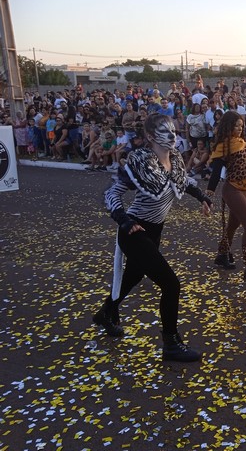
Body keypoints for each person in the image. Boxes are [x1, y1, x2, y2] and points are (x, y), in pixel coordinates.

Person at [96, 114, 213, 362]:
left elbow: (182, 181)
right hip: (134, 231)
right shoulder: (139, 162)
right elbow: (111, 193)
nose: (172, 135)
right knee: (171, 284)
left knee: (133, 276)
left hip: (154, 230)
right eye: (165, 131)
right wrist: (124, 221)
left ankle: (106, 312)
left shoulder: (175, 159)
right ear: (150, 136)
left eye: (174, 131)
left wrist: (201, 197)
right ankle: (171, 343)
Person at [205, 111, 246, 281]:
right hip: (232, 190)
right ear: (228, 127)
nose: (240, 128)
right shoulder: (223, 146)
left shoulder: (243, 143)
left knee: (233, 225)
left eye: (241, 125)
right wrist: (208, 196)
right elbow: (215, 173)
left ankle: (222, 255)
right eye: (236, 125)